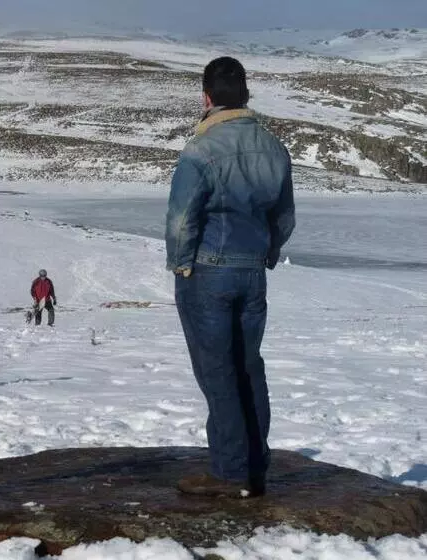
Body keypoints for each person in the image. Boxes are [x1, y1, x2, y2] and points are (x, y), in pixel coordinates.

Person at [165, 57, 296, 498]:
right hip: (252, 272)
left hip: (208, 272)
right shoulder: (274, 148)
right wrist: (268, 254)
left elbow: (183, 218)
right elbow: (284, 216)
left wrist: (182, 265)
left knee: (217, 371)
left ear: (206, 97)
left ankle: (228, 472)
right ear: (245, 96)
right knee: (248, 367)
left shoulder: (201, 149)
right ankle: (254, 466)